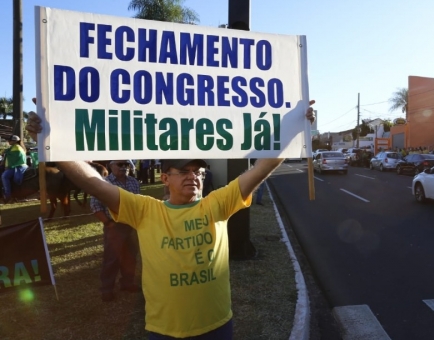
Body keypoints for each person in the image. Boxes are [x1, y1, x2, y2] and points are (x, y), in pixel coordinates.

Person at [25, 100, 315, 339]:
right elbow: (93, 183)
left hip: (218, 326)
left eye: (198, 172)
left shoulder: (217, 204)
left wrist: (296, 129)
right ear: (164, 178)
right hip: (165, 331)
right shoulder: (145, 210)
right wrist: (52, 143)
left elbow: (261, 169)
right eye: (183, 171)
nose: (193, 177)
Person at [90, 160, 141, 302]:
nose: (124, 168)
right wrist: (108, 223)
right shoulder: (103, 183)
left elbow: (138, 203)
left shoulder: (134, 182)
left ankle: (127, 283)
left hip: (132, 225)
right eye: (120, 164)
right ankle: (107, 289)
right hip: (114, 226)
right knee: (111, 259)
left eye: (126, 165)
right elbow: (95, 206)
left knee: (131, 256)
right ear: (111, 166)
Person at [1, 135, 28, 203]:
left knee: (4, 176)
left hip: (18, 166)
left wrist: (5, 152)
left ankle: (8, 195)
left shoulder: (16, 147)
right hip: (17, 166)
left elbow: (11, 156)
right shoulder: (14, 147)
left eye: (9, 140)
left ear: (14, 141)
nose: (8, 141)